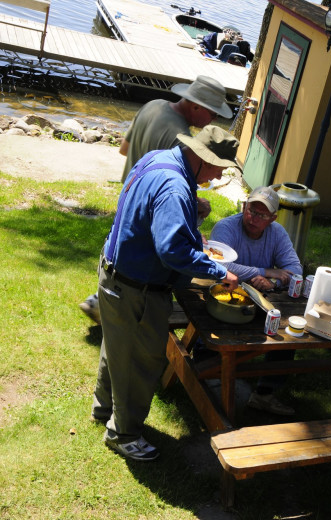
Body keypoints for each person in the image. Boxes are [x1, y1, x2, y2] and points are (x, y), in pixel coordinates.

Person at [91, 125, 240, 462]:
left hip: (115, 274)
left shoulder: (160, 160)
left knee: (116, 347)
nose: (219, 175)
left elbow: (149, 208)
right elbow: (172, 250)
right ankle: (123, 433)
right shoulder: (175, 187)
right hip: (138, 287)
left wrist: (191, 210)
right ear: (201, 158)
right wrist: (219, 272)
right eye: (219, 166)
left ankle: (104, 410)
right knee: (141, 360)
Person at [79, 75, 233, 324]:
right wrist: (196, 208)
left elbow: (124, 149)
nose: (213, 119)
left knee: (123, 257)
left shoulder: (154, 104)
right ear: (196, 106)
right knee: (140, 270)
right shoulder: (181, 139)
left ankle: (104, 304)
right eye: (213, 112)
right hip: (151, 218)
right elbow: (175, 203)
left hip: (132, 198)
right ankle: (111, 308)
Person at [210, 186, 301, 416]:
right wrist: (263, 271)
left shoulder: (277, 233)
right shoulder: (226, 227)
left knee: (288, 335)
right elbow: (219, 265)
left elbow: (295, 270)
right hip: (224, 300)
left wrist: (273, 284)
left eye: (262, 215)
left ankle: (265, 394)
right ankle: (207, 371)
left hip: (259, 303)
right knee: (213, 341)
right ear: (244, 206)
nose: (253, 218)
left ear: (273, 218)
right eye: (251, 210)